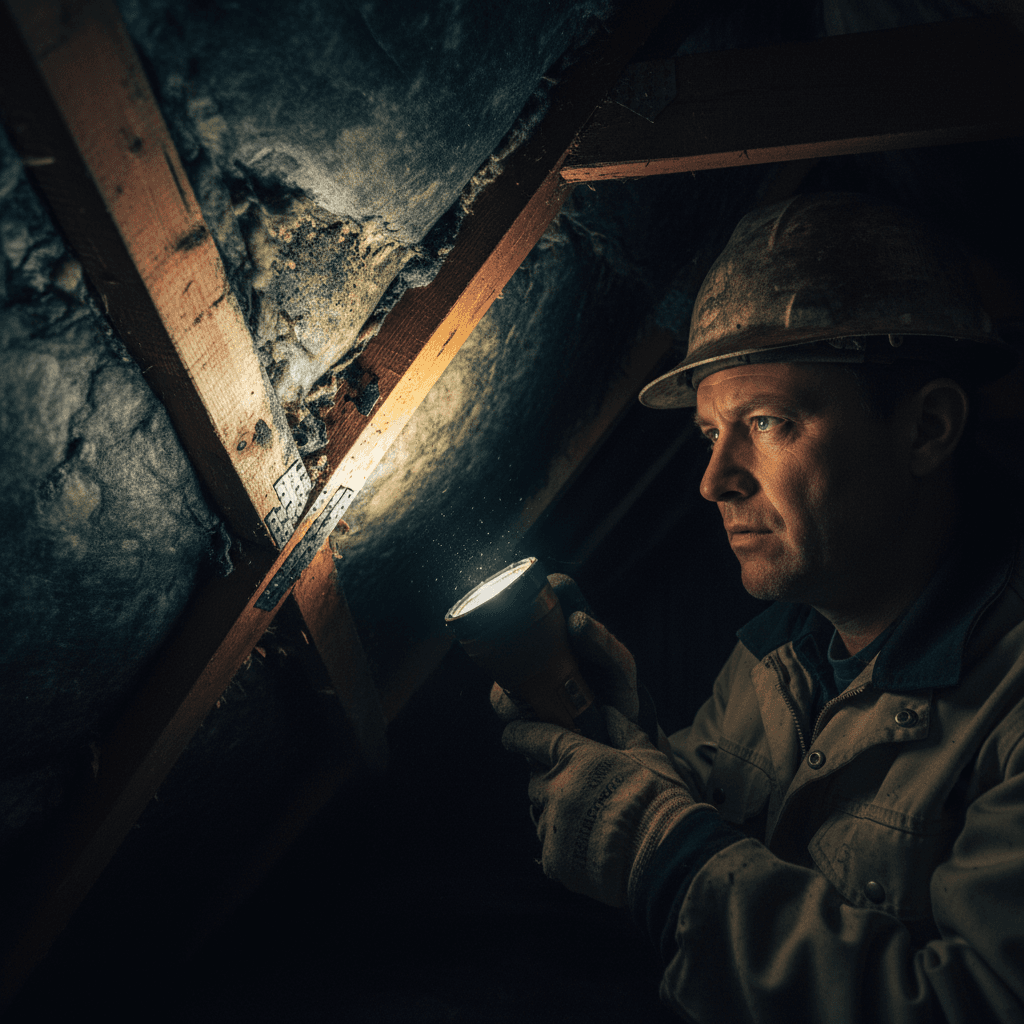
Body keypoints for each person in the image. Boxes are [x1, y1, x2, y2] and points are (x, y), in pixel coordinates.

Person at [495, 192, 1024, 1023]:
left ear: (926, 428)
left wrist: (664, 855)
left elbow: (976, 1005)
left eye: (768, 421)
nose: (714, 482)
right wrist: (621, 739)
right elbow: (706, 818)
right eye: (711, 433)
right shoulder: (783, 650)